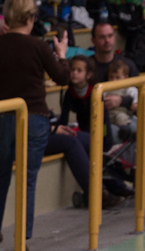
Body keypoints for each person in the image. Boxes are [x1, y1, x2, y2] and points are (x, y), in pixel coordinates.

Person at [0, 0, 69, 250]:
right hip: (34, 116)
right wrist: (62, 54)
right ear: (30, 19)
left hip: (0, 117)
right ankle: (22, 237)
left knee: (0, 176)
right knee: (28, 179)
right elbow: (63, 78)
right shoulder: (39, 47)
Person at [46, 56, 123, 208]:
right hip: (84, 131)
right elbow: (64, 118)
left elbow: (102, 121)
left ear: (88, 75)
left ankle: (115, 188)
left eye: (79, 70)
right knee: (79, 141)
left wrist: (103, 139)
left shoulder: (95, 92)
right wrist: (60, 128)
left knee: (95, 149)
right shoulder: (70, 93)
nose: (74, 73)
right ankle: (105, 191)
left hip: (101, 132)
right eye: (72, 70)